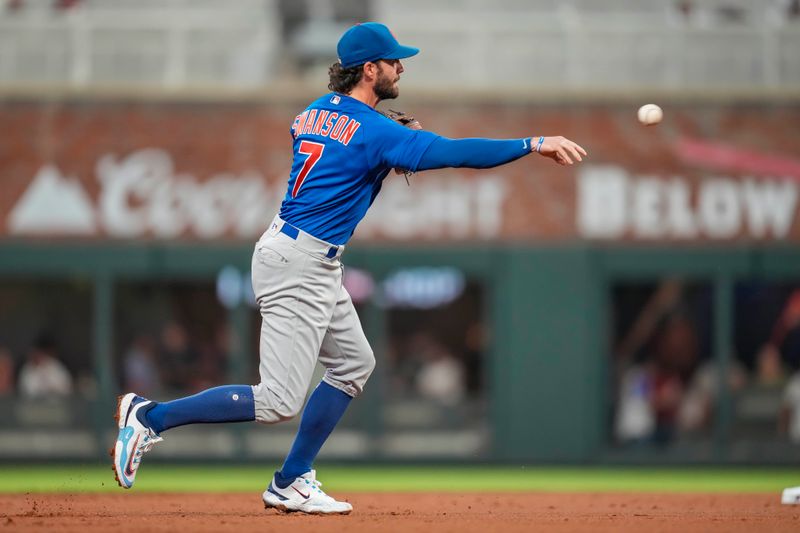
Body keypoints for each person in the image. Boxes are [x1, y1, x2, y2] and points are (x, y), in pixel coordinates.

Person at [112, 21, 586, 514]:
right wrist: (531, 143)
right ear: (368, 69)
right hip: (299, 262)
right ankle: (151, 417)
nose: (401, 67)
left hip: (302, 255)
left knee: (354, 365)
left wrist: (384, 150)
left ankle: (291, 479)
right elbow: (451, 153)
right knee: (277, 401)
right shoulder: (376, 131)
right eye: (393, 60)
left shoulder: (313, 112)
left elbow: (345, 144)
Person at [18, 334, 73, 398]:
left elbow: (67, 386)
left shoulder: (55, 366)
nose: (37, 355)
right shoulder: (27, 369)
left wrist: (52, 389)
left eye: (39, 352)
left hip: (55, 404)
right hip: (33, 405)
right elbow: (24, 390)